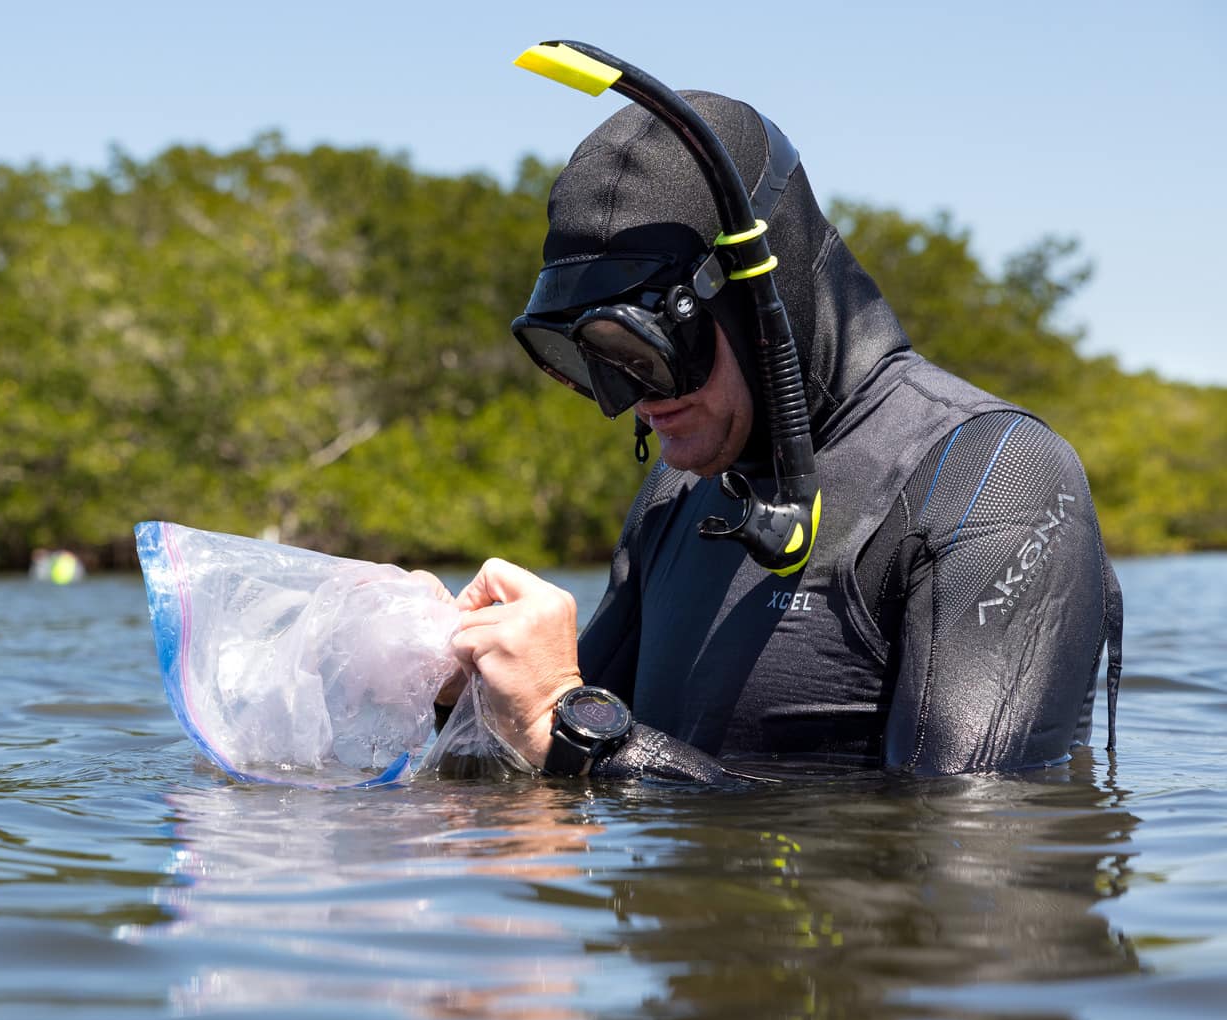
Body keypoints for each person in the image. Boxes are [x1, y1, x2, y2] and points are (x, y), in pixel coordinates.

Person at [444, 89, 1122, 780]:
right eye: (592, 363)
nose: (629, 401)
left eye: (647, 350)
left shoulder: (1000, 478)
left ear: (757, 294)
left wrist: (577, 736)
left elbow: (961, 849)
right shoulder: (678, 490)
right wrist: (458, 691)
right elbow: (564, 728)